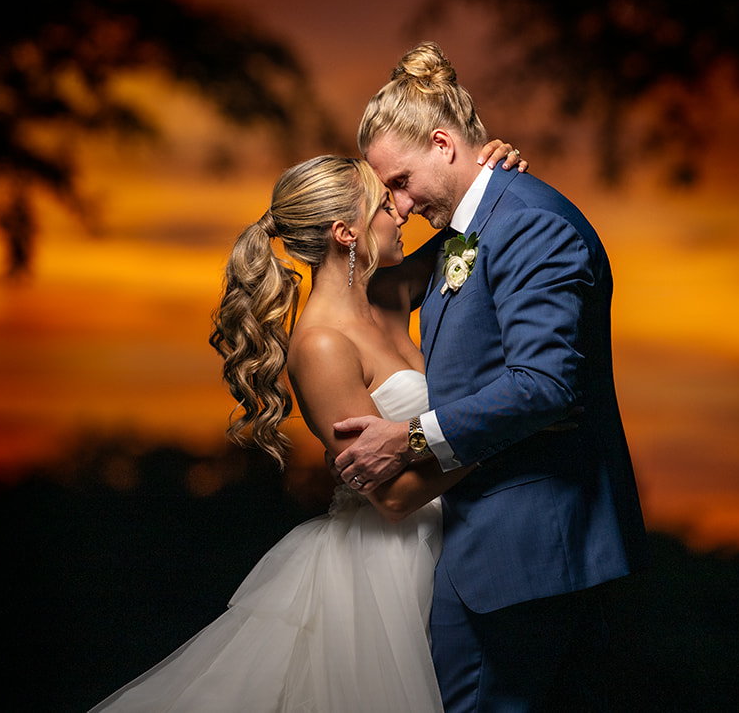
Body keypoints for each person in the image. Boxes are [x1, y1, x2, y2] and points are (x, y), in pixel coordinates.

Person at [87, 142, 524, 713]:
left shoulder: (389, 293)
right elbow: (391, 499)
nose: (402, 210)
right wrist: (502, 430)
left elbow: (468, 231)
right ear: (346, 233)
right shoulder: (321, 346)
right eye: (385, 204)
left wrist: (489, 173)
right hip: (383, 570)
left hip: (450, 540)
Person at [333, 42, 650, 713]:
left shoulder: (528, 222)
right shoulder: (472, 228)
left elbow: (545, 384)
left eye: (398, 181)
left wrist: (409, 439)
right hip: (502, 549)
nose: (397, 203)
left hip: (525, 552)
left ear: (444, 143)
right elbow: (391, 284)